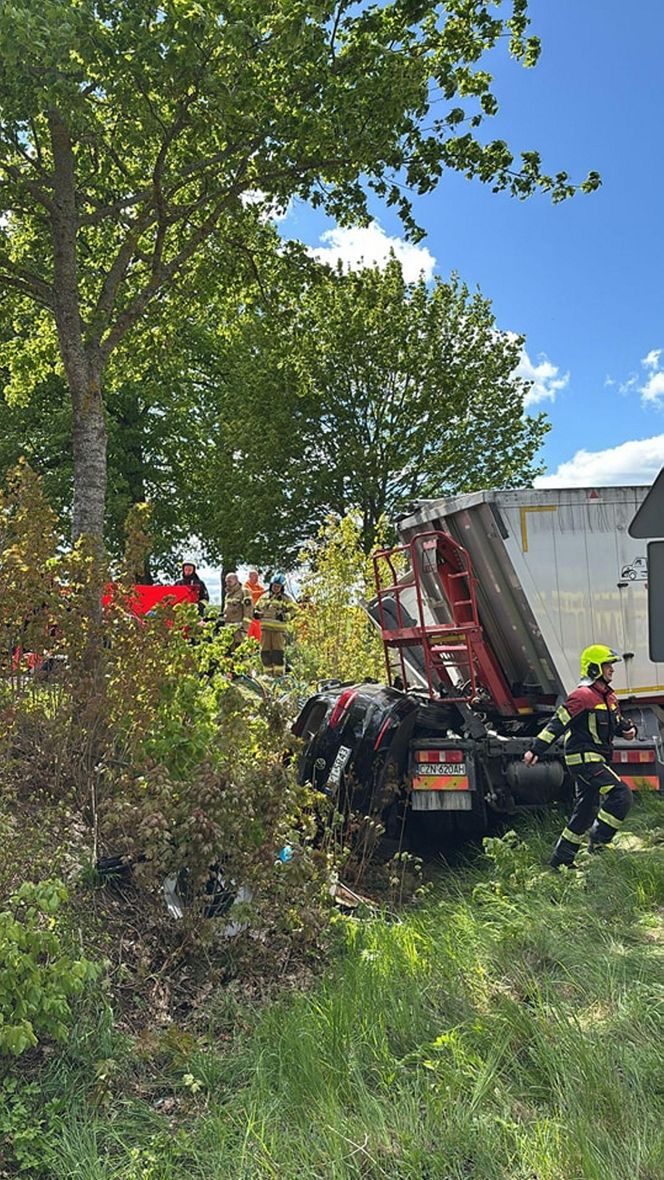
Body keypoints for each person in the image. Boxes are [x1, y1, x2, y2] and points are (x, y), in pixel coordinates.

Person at [524, 644, 637, 869]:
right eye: (607, 665)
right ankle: (599, 841)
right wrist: (536, 749)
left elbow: (616, 724)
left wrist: (627, 730)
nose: (612, 669)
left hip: (597, 758)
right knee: (621, 794)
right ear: (595, 668)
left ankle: (560, 861)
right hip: (584, 759)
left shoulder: (609, 697)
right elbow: (558, 723)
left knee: (585, 811)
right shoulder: (581, 696)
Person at [254, 575, 294, 677]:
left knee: (278, 653)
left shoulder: (285, 599)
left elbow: (294, 611)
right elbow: (256, 608)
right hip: (265, 630)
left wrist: (284, 616)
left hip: (278, 631)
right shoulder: (263, 597)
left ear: (282, 587)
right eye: (274, 586)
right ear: (271, 585)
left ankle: (279, 675)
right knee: (265, 652)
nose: (276, 588)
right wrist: (256, 614)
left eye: (278, 586)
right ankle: (268, 675)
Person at [222, 572, 254, 650]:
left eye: (230, 581)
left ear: (236, 580)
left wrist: (245, 626)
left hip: (239, 627)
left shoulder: (244, 592)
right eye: (226, 582)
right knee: (228, 650)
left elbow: (248, 610)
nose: (227, 584)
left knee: (239, 649)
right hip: (228, 626)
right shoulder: (228, 594)